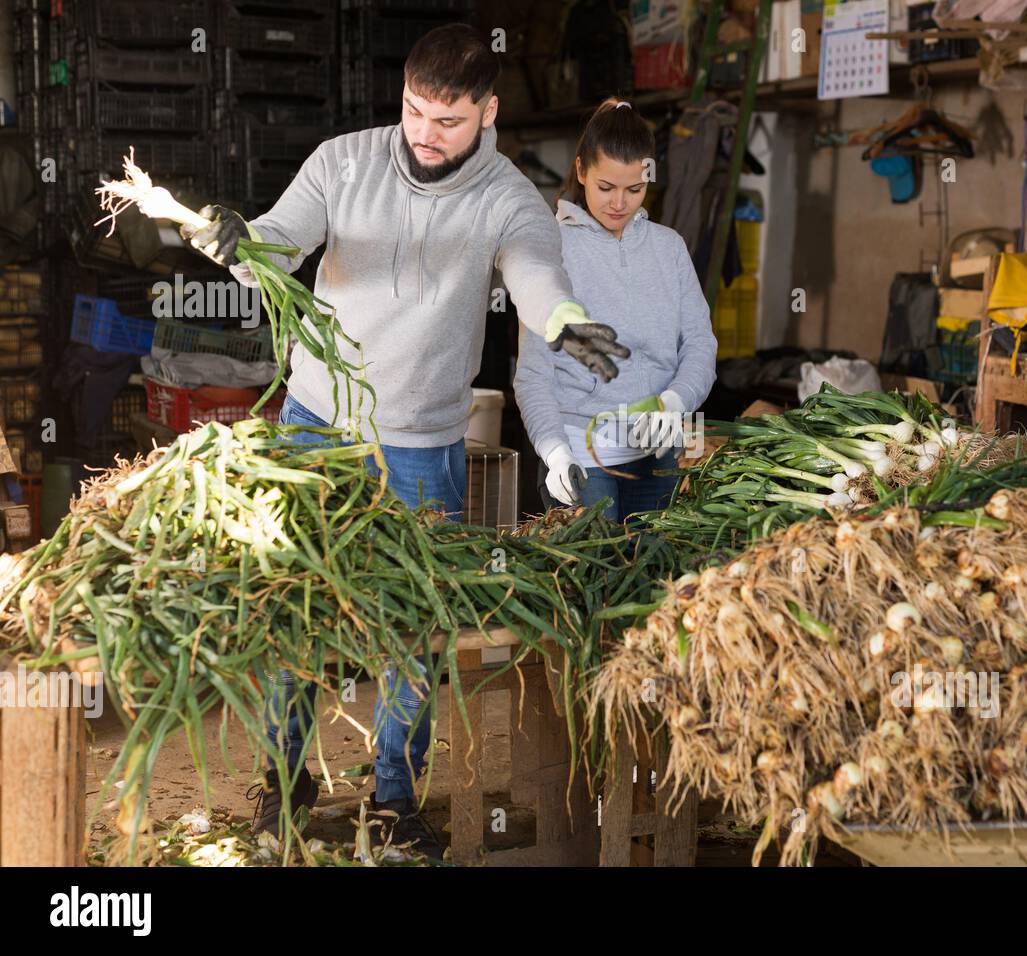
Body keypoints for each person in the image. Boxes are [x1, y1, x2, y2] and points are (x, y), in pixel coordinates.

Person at [179, 25, 631, 854]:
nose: (425, 133)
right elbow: (282, 241)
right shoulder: (344, 161)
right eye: (415, 111)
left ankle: (393, 797)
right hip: (316, 425)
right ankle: (282, 776)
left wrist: (565, 323)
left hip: (423, 442)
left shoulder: (507, 196)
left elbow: (537, 272)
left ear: (488, 113)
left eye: (449, 121)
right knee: (293, 608)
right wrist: (240, 243)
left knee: (414, 630)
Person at [515, 99, 717, 523]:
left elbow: (700, 344)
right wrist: (553, 451)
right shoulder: (550, 249)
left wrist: (674, 402)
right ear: (582, 170)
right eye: (606, 187)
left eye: (634, 188)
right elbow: (533, 375)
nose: (619, 203)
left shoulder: (669, 248)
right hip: (582, 458)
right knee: (598, 580)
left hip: (660, 454)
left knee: (658, 577)